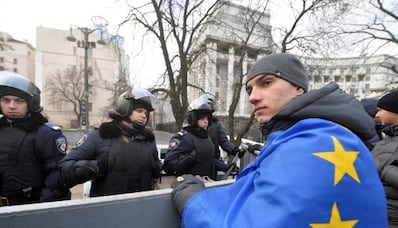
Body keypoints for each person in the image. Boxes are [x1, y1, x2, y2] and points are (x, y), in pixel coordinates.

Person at [170, 53, 387, 227]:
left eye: (266, 82)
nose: (253, 97)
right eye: (250, 89)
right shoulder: (323, 135)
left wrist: (194, 201)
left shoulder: (312, 143)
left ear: (298, 89)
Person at [0, 71, 70, 207]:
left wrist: (40, 208)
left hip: (29, 209)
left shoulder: (45, 134)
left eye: (19, 101)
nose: (12, 105)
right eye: (6, 100)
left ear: (30, 103)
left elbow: (56, 175)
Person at [59, 88, 161, 197]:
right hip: (107, 209)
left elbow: (156, 169)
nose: (144, 116)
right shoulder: (100, 135)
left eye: (146, 113)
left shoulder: (148, 139)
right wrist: (96, 167)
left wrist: (157, 167)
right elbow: (65, 167)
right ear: (125, 108)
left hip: (141, 209)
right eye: (139, 111)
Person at [163, 96, 217, 180]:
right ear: (194, 118)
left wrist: (226, 167)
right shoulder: (184, 138)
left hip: (208, 185)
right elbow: (168, 165)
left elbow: (209, 161)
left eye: (207, 118)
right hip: (189, 186)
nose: (206, 121)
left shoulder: (207, 137)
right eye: (202, 118)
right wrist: (186, 161)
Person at [371, 90, 398, 227]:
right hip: (380, 211)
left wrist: (380, 167)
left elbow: (378, 166)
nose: (377, 115)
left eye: (381, 110)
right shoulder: (388, 138)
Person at [198, 94, 243, 173]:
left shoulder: (216, 124)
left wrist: (234, 150)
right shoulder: (192, 125)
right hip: (199, 165)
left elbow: (224, 142)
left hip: (214, 163)